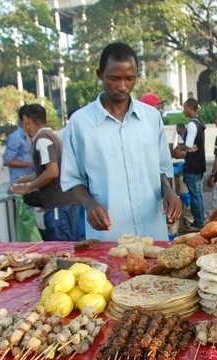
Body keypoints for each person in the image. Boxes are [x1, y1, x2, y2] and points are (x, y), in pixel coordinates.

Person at [60, 42, 180, 241]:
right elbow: (73, 180)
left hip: (153, 237)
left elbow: (160, 169)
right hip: (109, 238)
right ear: (100, 74)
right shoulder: (80, 123)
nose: (122, 86)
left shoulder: (151, 118)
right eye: (114, 79)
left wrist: (169, 192)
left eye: (130, 79)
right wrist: (89, 204)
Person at [10, 104, 81, 241]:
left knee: (61, 253)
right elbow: (45, 171)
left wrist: (27, 188)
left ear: (26, 120)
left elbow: (52, 172)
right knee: (71, 249)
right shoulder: (52, 136)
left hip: (58, 207)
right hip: (68, 203)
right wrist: (21, 181)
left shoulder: (42, 139)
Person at [179, 98, 206, 231]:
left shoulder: (191, 124)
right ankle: (201, 219)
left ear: (190, 108)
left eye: (184, 108)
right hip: (200, 164)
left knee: (195, 194)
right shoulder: (200, 122)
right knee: (199, 194)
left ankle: (198, 222)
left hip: (193, 165)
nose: (184, 110)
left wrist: (179, 147)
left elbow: (189, 145)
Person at [2, 113, 34, 183]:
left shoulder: (34, 135)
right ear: (26, 120)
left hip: (33, 181)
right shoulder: (15, 137)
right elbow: (7, 161)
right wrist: (30, 164)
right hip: (19, 181)